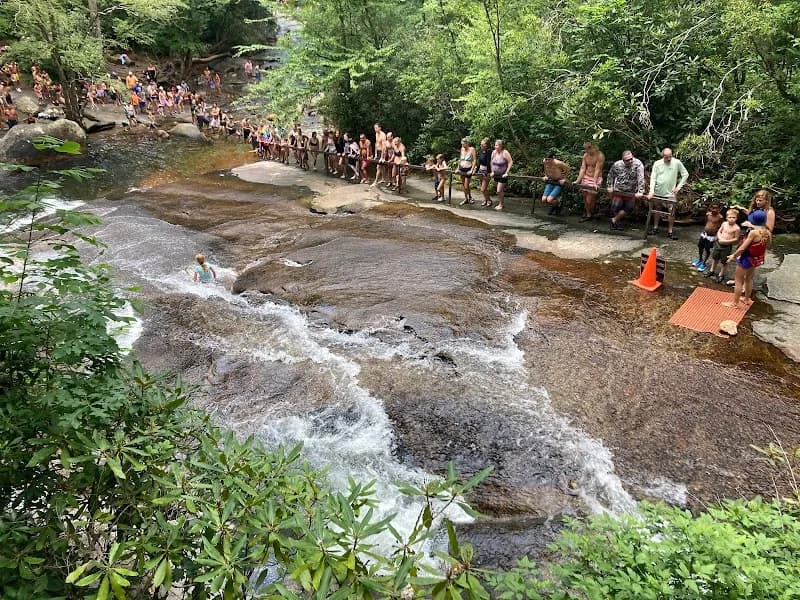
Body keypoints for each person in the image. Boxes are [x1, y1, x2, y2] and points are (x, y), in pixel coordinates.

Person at [722, 209, 770, 309]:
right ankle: (747, 299)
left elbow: (743, 247)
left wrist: (733, 256)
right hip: (755, 259)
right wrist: (751, 226)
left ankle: (734, 303)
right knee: (749, 279)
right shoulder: (767, 233)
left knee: (738, 280)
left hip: (746, 258)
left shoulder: (753, 233)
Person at [647, 147, 689, 239]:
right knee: (657, 208)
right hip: (658, 191)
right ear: (663, 156)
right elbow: (653, 177)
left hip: (670, 193)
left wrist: (678, 187)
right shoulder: (657, 163)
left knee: (671, 211)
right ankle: (655, 227)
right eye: (666, 157)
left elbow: (685, 174)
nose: (669, 159)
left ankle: (670, 231)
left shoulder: (676, 162)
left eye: (670, 156)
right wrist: (651, 191)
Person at [607, 150, 644, 231]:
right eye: (627, 160)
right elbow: (610, 175)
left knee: (629, 207)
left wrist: (640, 191)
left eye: (631, 159)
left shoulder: (638, 164)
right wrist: (610, 186)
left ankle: (614, 220)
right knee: (616, 207)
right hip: (619, 189)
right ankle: (616, 223)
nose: (630, 161)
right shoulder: (617, 164)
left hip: (631, 191)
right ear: (623, 160)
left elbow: (641, 178)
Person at [707, 208, 741, 284]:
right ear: (726, 217)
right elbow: (719, 231)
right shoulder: (724, 224)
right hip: (719, 243)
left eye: (733, 217)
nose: (731, 219)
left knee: (724, 261)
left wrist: (726, 241)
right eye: (730, 217)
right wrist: (720, 237)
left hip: (727, 246)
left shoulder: (737, 228)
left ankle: (721, 274)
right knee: (715, 257)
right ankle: (712, 270)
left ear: (736, 218)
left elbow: (736, 239)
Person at [574, 141, 605, 221]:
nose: (586, 151)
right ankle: (589, 214)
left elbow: (597, 170)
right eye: (585, 149)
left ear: (593, 147)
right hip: (586, 177)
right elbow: (583, 168)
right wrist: (578, 180)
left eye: (587, 149)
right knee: (585, 197)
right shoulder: (585, 156)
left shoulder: (600, 156)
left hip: (596, 178)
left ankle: (591, 212)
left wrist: (594, 182)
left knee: (590, 199)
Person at [695, 202, 724, 272]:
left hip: (711, 236)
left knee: (707, 249)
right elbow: (706, 222)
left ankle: (704, 263)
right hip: (704, 234)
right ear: (710, 208)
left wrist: (717, 235)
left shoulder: (720, 217)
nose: (714, 210)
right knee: (700, 246)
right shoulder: (708, 215)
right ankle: (700, 259)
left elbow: (720, 226)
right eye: (713, 208)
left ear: (719, 209)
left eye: (716, 208)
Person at [490, 139, 512, 210]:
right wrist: (492, 171)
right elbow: (491, 162)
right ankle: (501, 203)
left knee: (499, 190)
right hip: (496, 174)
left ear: (501, 146)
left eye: (496, 145)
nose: (495, 146)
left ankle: (501, 205)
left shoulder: (505, 152)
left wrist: (506, 172)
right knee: (500, 190)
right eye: (495, 145)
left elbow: (510, 162)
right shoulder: (494, 152)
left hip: (503, 174)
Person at [458, 138, 477, 205]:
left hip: (468, 169)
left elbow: (474, 160)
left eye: (464, 144)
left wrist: (472, 170)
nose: (463, 145)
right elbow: (460, 159)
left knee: (466, 186)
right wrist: (458, 168)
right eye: (462, 144)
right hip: (462, 168)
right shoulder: (462, 149)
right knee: (464, 185)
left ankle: (469, 198)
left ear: (467, 143)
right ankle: (467, 198)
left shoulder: (472, 149)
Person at [476, 137, 492, 207]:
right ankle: (485, 200)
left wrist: (488, 172)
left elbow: (489, 162)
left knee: (483, 189)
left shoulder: (489, 151)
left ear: (487, 144)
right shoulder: (480, 151)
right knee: (481, 187)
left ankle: (489, 200)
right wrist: (476, 170)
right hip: (480, 170)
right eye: (481, 144)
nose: (482, 145)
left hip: (486, 171)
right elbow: (479, 162)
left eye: (483, 144)